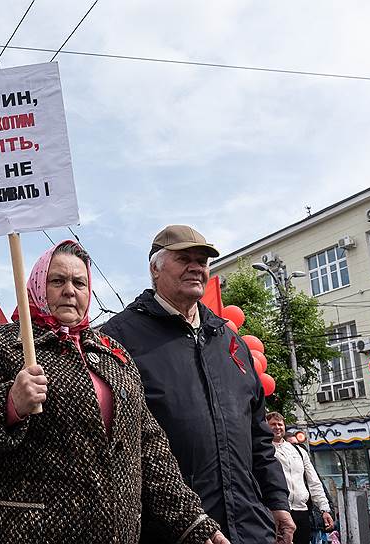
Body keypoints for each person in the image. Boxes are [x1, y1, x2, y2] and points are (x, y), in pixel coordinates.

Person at [0, 240, 228, 544]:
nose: (69, 290)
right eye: (57, 281)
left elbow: (149, 447)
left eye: (79, 282)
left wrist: (192, 521)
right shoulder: (3, 343)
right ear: (37, 284)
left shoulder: (112, 353)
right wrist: (10, 404)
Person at [101, 225, 295, 544]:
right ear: (155, 268)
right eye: (184, 258)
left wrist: (277, 502)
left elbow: (258, 434)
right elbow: (117, 448)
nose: (196, 267)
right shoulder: (118, 339)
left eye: (202, 261)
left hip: (249, 527)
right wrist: (186, 524)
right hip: (171, 532)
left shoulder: (231, 343)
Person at [266, 413, 334, 544]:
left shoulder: (298, 451)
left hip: (302, 511)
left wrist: (324, 509)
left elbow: (314, 482)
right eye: (273, 424)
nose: (277, 427)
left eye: (280, 424)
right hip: (276, 511)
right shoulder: (263, 451)